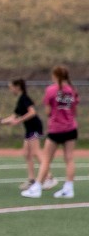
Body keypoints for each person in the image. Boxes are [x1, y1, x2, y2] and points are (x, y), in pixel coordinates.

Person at [22, 66, 78, 199]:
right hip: (71, 127)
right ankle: (68, 188)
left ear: (56, 76)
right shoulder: (72, 90)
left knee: (46, 159)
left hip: (56, 128)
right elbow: (74, 111)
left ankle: (37, 187)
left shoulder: (51, 90)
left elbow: (48, 112)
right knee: (69, 158)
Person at [0, 78, 44, 188]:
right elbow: (13, 117)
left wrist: (19, 120)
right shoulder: (20, 100)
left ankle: (49, 177)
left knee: (35, 152)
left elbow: (32, 112)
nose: (11, 90)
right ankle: (31, 180)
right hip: (29, 129)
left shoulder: (25, 98)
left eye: (11, 87)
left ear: (18, 86)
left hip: (34, 126)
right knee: (27, 154)